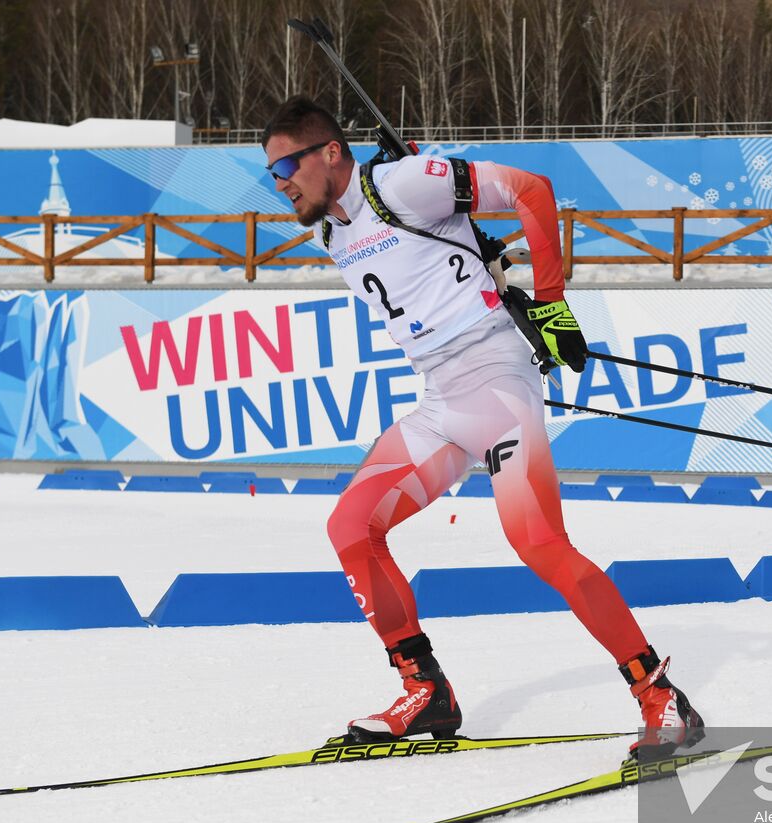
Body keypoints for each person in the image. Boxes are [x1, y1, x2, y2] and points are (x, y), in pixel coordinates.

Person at [260, 97, 703, 758]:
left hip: (497, 382)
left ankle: (661, 696)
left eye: (287, 165)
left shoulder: (400, 184)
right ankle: (425, 690)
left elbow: (531, 189)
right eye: (270, 174)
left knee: (539, 543)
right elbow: (435, 252)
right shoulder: (333, 228)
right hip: (441, 403)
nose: (280, 183)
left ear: (329, 152)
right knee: (352, 525)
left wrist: (550, 303)